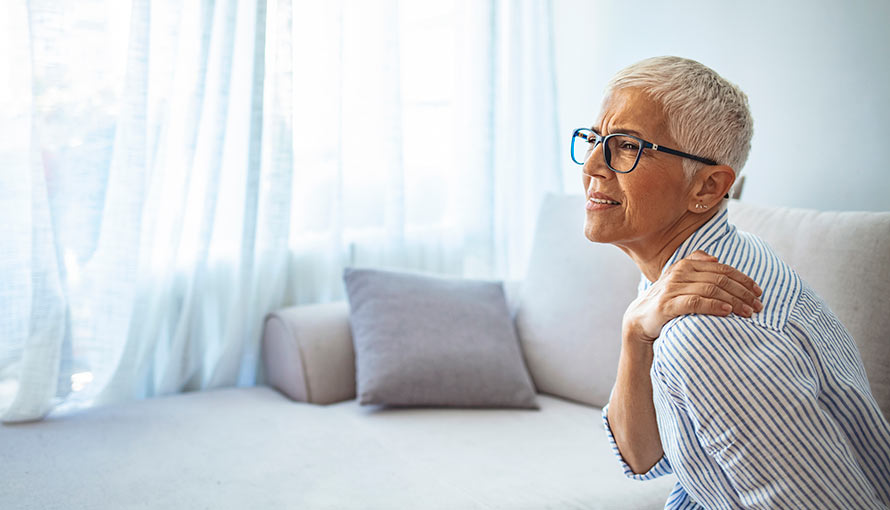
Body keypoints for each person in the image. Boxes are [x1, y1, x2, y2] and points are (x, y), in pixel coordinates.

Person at [574, 56, 890, 509]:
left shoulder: (709, 328)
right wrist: (633, 333)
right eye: (594, 139)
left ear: (707, 188)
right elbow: (643, 456)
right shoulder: (678, 277)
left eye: (626, 146)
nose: (591, 165)